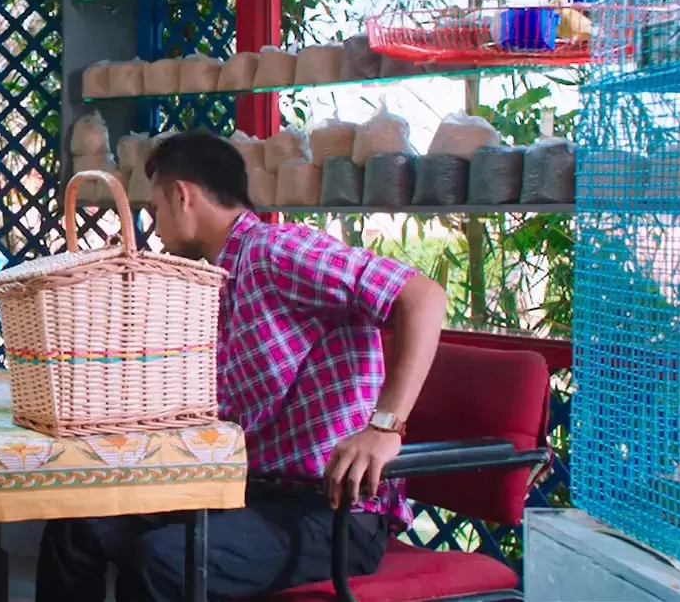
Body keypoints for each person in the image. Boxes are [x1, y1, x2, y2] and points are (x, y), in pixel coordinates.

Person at [36, 131, 448, 601]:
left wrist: (385, 426)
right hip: (246, 494)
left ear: (182, 196)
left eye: (154, 210)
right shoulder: (215, 280)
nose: (156, 229)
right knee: (78, 527)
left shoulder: (276, 251)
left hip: (333, 511)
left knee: (164, 561)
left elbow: (423, 296)